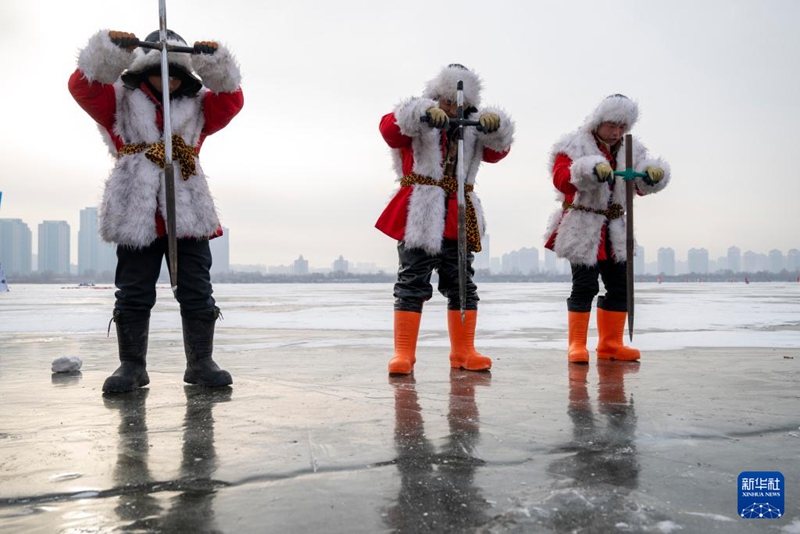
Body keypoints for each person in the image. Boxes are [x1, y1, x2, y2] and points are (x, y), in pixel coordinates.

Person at [69, 29, 244, 393]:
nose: (170, 79)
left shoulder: (198, 105)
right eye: (160, 70)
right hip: (137, 208)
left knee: (197, 289)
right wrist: (109, 53)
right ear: (142, 69)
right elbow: (81, 86)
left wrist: (214, 63)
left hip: (188, 210)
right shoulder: (117, 101)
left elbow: (231, 100)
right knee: (133, 291)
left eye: (177, 71)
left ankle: (200, 362)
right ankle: (132, 365)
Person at [376, 64, 515, 376]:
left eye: (458, 104)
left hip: (458, 211)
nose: (454, 109)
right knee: (411, 283)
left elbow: (498, 151)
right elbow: (389, 129)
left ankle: (463, 351)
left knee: (462, 284)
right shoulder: (417, 118)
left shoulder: (473, 125)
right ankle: (404, 353)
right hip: (421, 212)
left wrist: (495, 126)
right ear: (436, 97)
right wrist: (423, 114)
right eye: (448, 102)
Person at [544, 94, 669, 363]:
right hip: (583, 226)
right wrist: (588, 171)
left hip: (615, 228)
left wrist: (651, 176)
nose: (616, 133)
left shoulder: (632, 151)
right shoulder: (573, 145)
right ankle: (576, 345)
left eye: (622, 128)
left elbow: (637, 187)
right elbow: (561, 180)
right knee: (585, 286)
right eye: (612, 126)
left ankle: (611, 344)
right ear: (598, 122)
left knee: (621, 287)